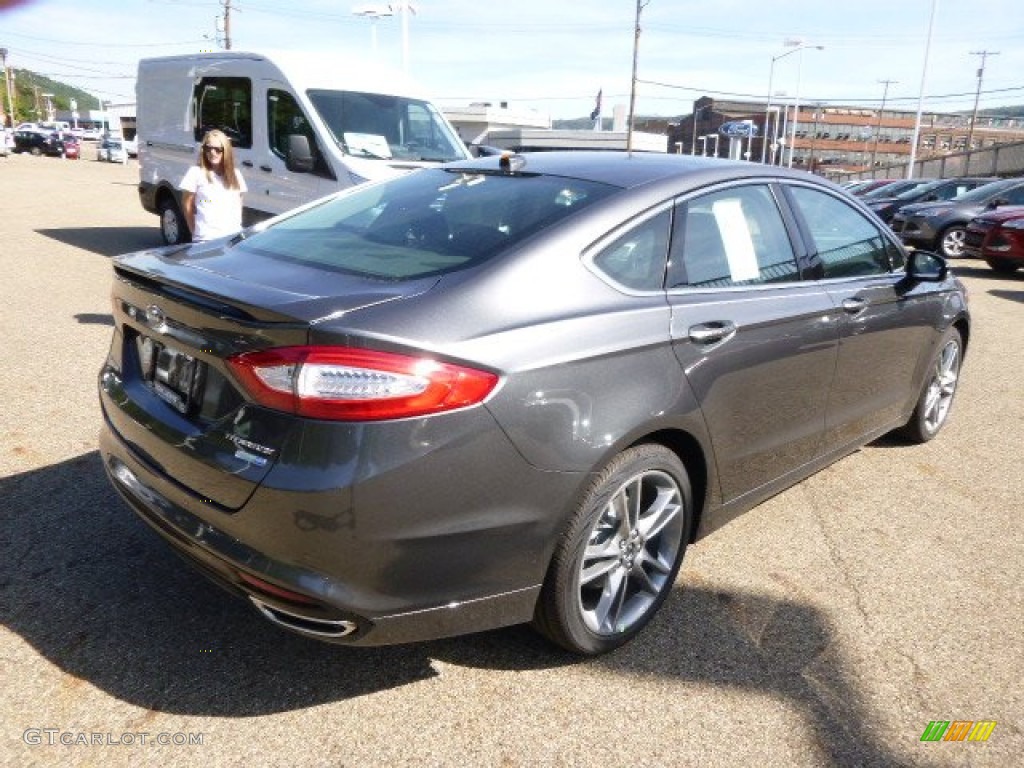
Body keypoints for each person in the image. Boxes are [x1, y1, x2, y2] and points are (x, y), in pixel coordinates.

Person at [179, 129, 247, 242]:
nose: (212, 152)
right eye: (208, 148)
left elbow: (238, 205)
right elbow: (187, 205)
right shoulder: (195, 172)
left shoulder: (236, 174)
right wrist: (195, 232)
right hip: (206, 239)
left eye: (218, 149)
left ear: (226, 151)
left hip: (233, 238)